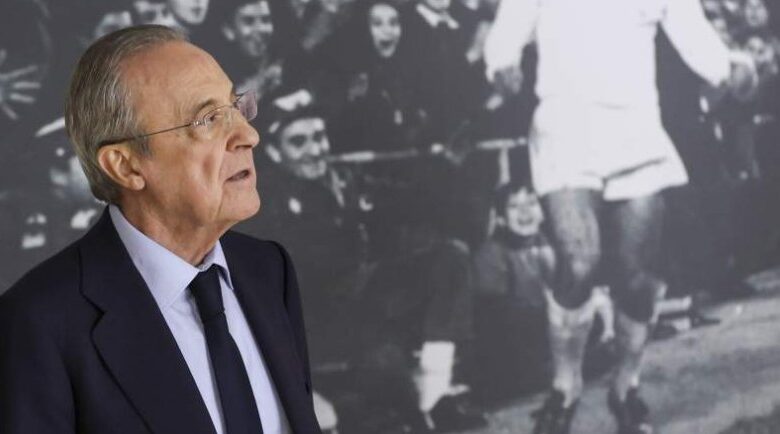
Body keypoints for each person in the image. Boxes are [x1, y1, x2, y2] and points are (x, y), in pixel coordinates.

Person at [0, 25, 321, 434]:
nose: (249, 135)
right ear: (126, 166)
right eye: (208, 119)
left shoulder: (269, 271)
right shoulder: (38, 324)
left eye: (236, 107)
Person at [484, 1, 758, 433]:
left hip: (636, 130)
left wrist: (731, 70)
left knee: (637, 278)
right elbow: (505, 35)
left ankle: (626, 387)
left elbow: (698, 40)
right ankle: (564, 386)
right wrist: (502, 66)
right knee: (580, 261)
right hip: (564, 128)